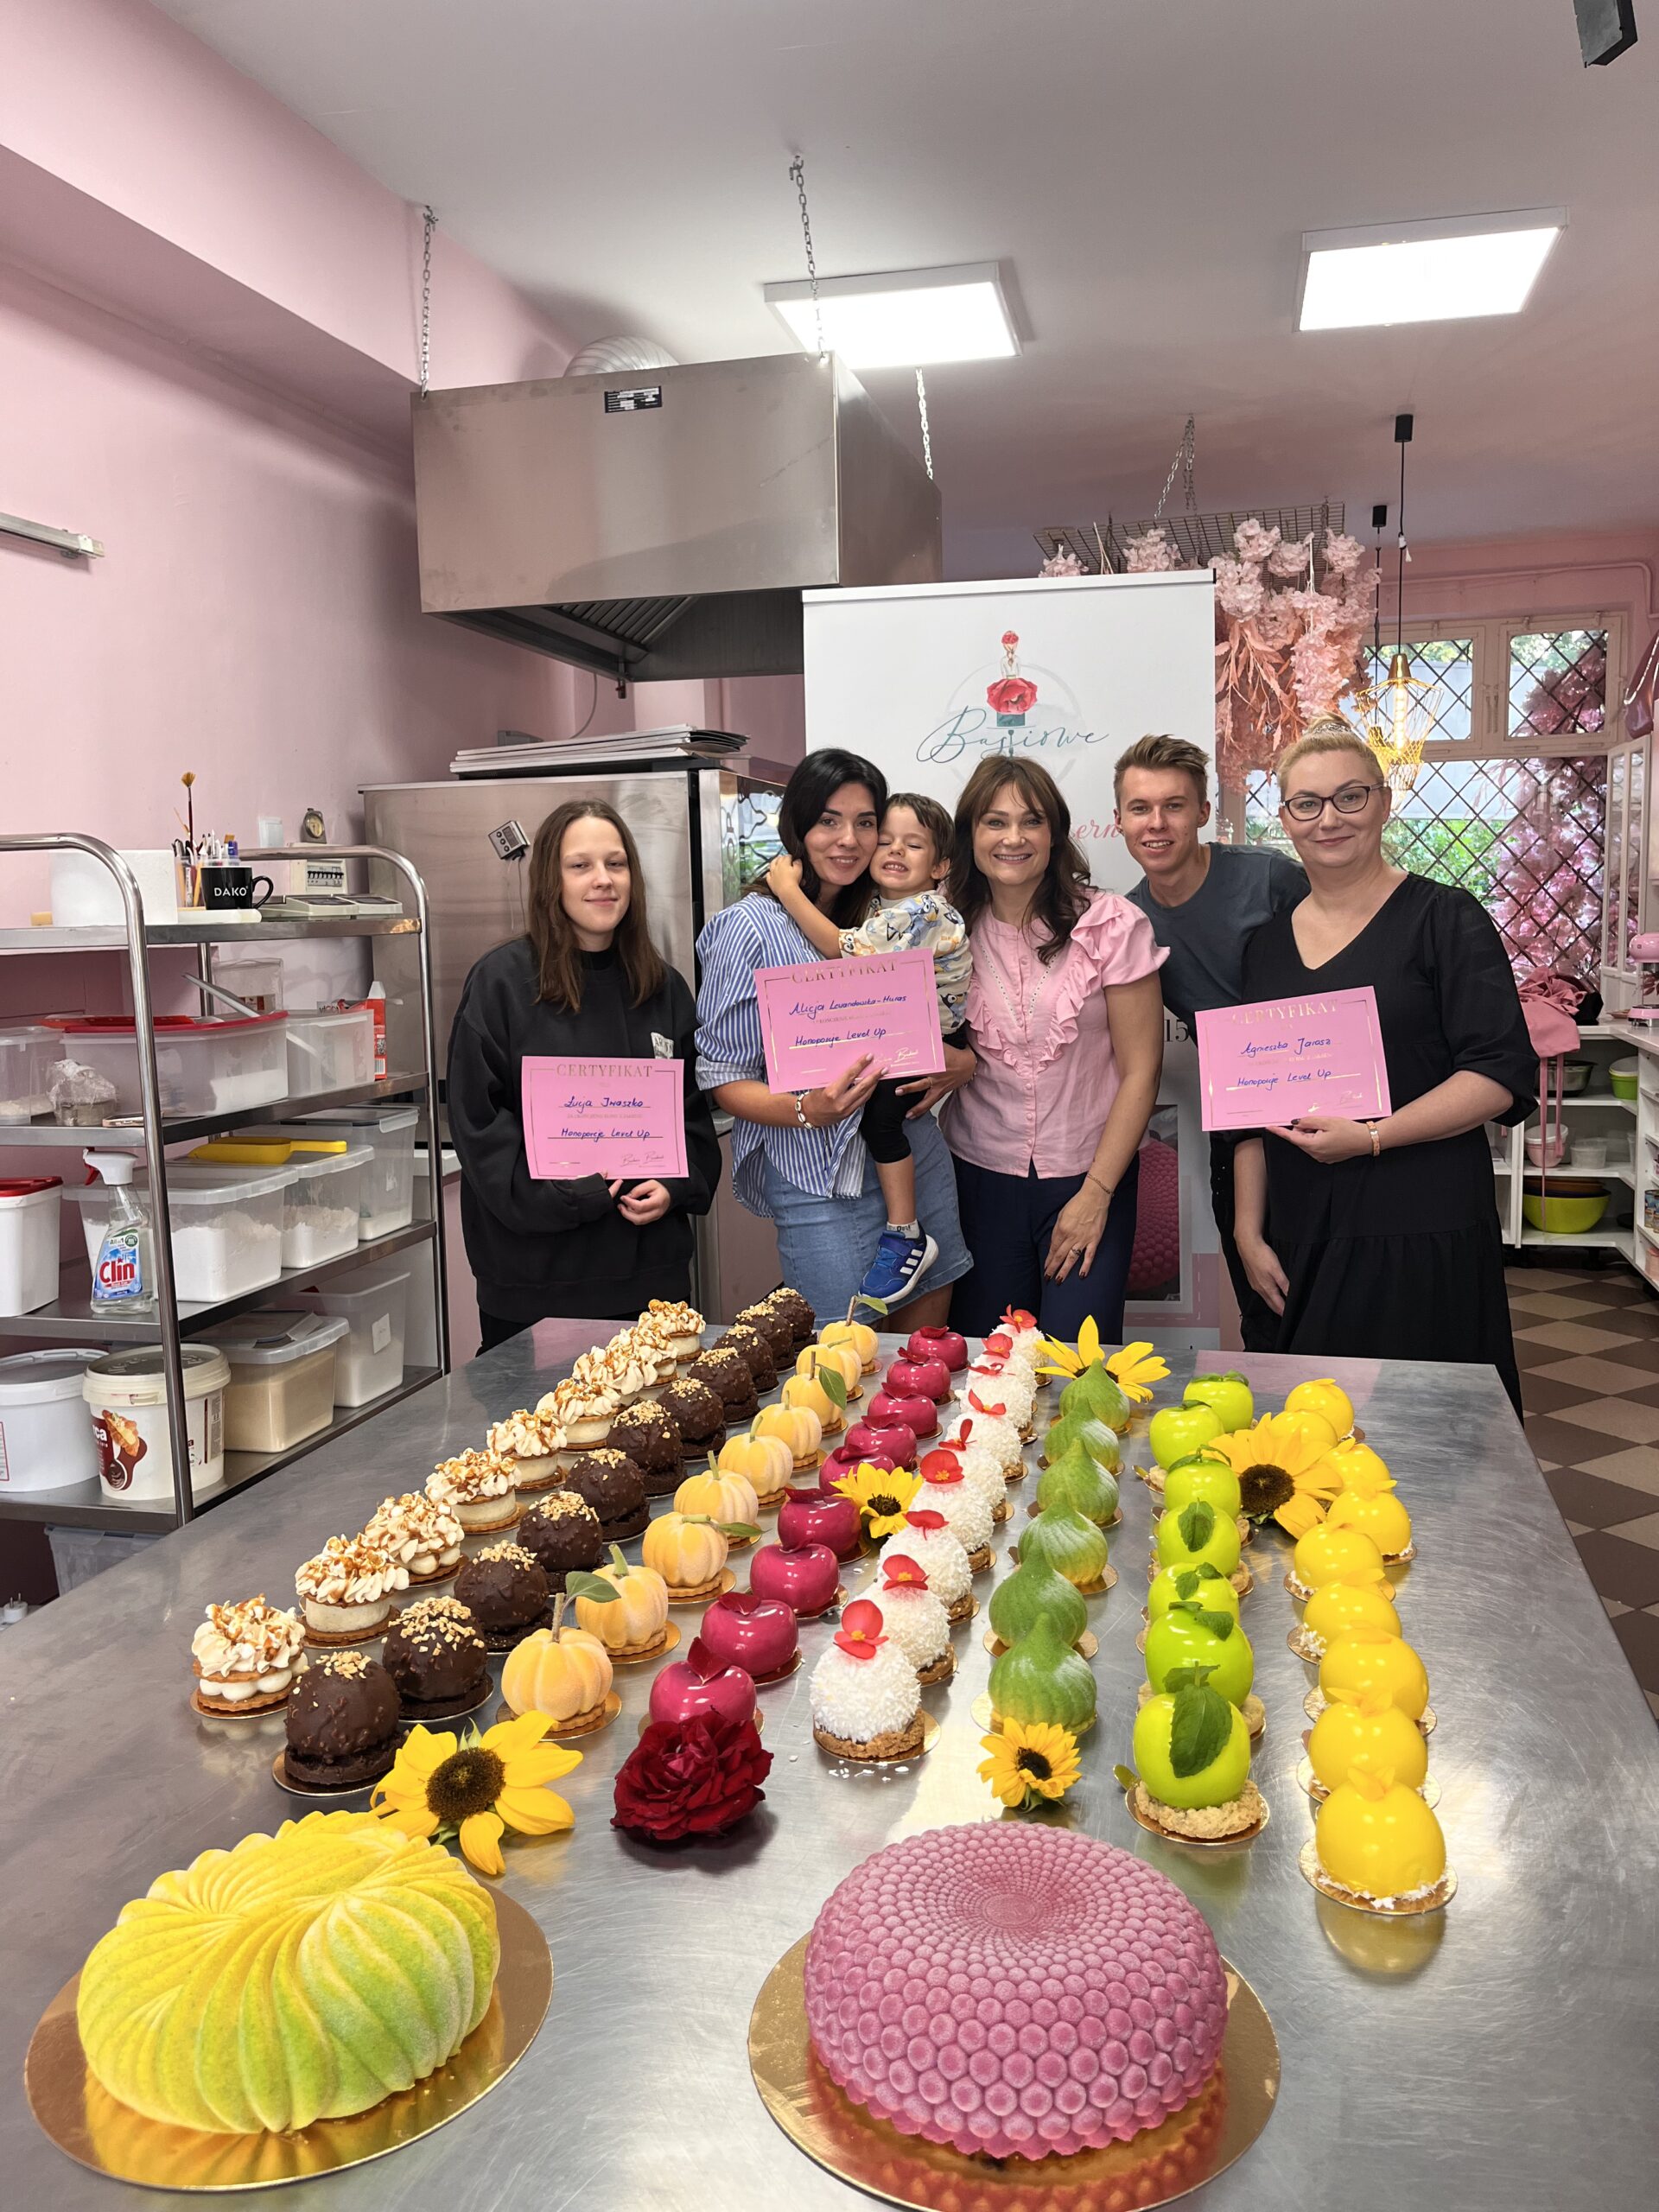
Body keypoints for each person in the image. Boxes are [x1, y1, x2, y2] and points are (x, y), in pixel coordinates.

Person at [1231, 722, 1535, 1413]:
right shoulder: (1265, 947)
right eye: (1307, 803)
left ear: (1384, 801)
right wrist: (1249, 1230)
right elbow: (1248, 1106)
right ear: (1285, 818)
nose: (1329, 819)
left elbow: (1496, 1072)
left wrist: (1372, 1136)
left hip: (1420, 1219)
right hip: (1304, 1227)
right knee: (1314, 1436)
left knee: (1430, 1428)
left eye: (1350, 796)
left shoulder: (1444, 919)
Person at [696, 750, 976, 1329]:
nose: (849, 839)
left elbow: (938, 1014)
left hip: (913, 1159)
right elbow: (724, 1079)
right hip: (821, 1181)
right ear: (798, 824)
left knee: (928, 1355)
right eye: (829, 820)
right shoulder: (747, 929)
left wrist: (963, 1063)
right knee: (848, 1363)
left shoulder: (882, 910)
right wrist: (809, 1109)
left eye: (865, 822)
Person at [448, 800, 720, 1351]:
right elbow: (479, 1129)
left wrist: (673, 1187)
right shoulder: (501, 983)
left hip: (652, 1279)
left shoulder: (663, 987)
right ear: (551, 879)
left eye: (616, 864)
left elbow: (693, 1119)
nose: (603, 880)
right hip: (536, 1285)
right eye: (581, 866)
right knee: (539, 1413)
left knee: (660, 1407)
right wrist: (571, 1196)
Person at [942, 756, 1166, 1339]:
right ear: (970, 835)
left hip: (1091, 1177)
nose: (1013, 838)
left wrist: (1097, 1194)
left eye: (1031, 821)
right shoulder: (942, 930)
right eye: (995, 822)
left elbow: (1142, 1071)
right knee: (987, 1363)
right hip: (979, 1178)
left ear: (1055, 834)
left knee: (1077, 1365)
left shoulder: (1112, 924)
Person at [1116, 733, 1307, 1348]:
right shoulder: (1128, 924)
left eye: (1174, 806)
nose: (1156, 823)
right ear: (1119, 820)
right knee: (1263, 1300)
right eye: (1140, 808)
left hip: (1322, 1104)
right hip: (1238, 1123)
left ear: (1202, 812)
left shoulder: (1270, 880)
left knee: (1329, 1294)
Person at [764, 791, 971, 1304]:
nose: (895, 850)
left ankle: (905, 1234)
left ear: (940, 866)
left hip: (926, 1037)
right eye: (886, 841)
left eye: (913, 845)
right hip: (906, 1030)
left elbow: (842, 950)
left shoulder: (923, 910)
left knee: (880, 1121)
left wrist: (787, 891)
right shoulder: (883, 905)